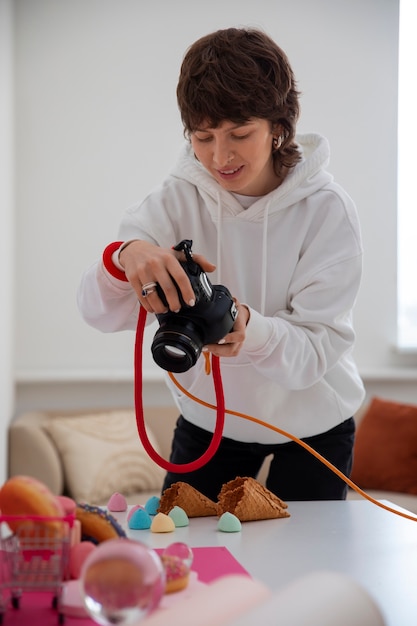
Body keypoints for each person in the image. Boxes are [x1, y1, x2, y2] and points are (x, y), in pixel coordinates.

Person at [77, 27, 365, 502]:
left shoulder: (328, 210)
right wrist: (124, 257)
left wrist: (247, 328)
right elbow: (98, 313)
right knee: (190, 563)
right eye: (203, 137)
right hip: (208, 422)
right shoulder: (172, 201)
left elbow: (316, 352)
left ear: (278, 126)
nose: (220, 156)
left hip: (315, 426)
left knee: (308, 571)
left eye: (240, 134)